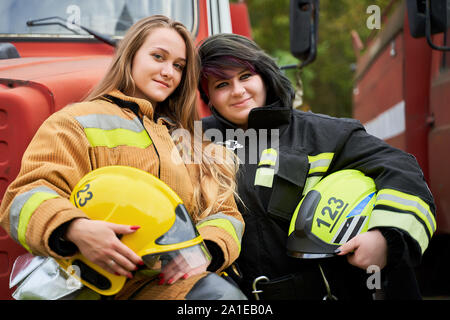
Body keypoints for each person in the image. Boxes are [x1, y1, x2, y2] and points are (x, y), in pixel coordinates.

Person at [0, 16, 246, 300]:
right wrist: (74, 229)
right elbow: (26, 195)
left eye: (178, 66)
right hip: (87, 283)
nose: (169, 72)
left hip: (166, 284)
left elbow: (225, 213)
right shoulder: (74, 122)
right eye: (158, 57)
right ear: (130, 56)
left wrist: (205, 250)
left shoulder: (189, 141)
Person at [198, 33, 436, 300]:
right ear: (208, 97)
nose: (238, 90)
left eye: (245, 76)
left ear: (264, 76)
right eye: (221, 84)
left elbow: (401, 171)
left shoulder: (323, 133)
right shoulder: (195, 141)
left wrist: (385, 238)